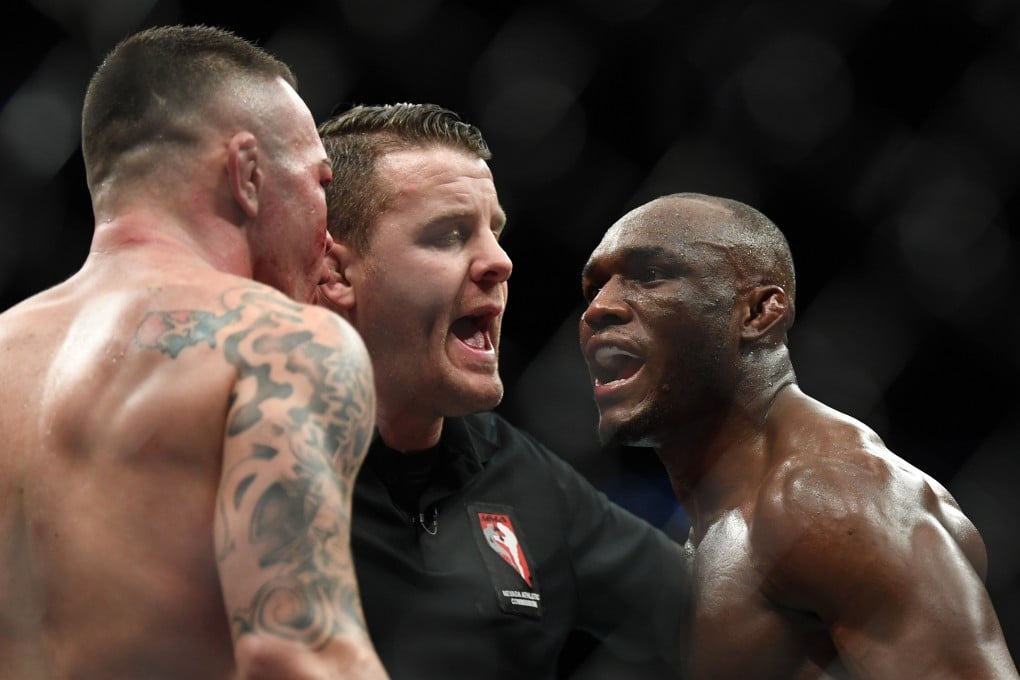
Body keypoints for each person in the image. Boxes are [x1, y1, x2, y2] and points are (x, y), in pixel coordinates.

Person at [0, 25, 389, 680]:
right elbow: (296, 652)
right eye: (323, 183)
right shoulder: (281, 345)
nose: (333, 236)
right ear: (248, 172)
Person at [316, 102, 689, 679]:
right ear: (338, 274)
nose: (499, 262)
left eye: (495, 232)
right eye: (448, 235)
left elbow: (715, 620)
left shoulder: (523, 477)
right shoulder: (250, 462)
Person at [578, 191, 1020, 678]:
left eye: (650, 276)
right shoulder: (733, 509)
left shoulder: (825, 496)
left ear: (756, 313)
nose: (598, 308)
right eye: (593, 288)